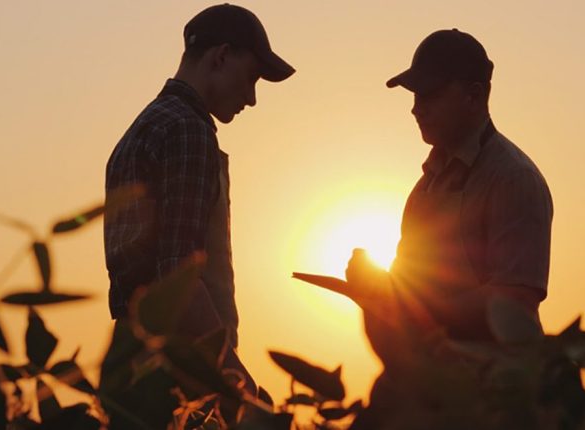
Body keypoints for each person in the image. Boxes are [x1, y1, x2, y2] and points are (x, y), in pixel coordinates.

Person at [345, 29, 553, 427]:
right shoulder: (424, 188)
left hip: (488, 400)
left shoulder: (514, 178)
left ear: (474, 96)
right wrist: (374, 287)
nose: (416, 109)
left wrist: (412, 307)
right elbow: (412, 286)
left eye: (430, 95)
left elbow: (513, 305)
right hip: (420, 387)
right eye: (414, 96)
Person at [103, 3, 294, 395]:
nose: (252, 97)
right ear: (222, 56)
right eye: (252, 77)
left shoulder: (143, 127)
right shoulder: (188, 130)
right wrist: (238, 385)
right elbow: (179, 277)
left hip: (133, 368)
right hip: (181, 376)